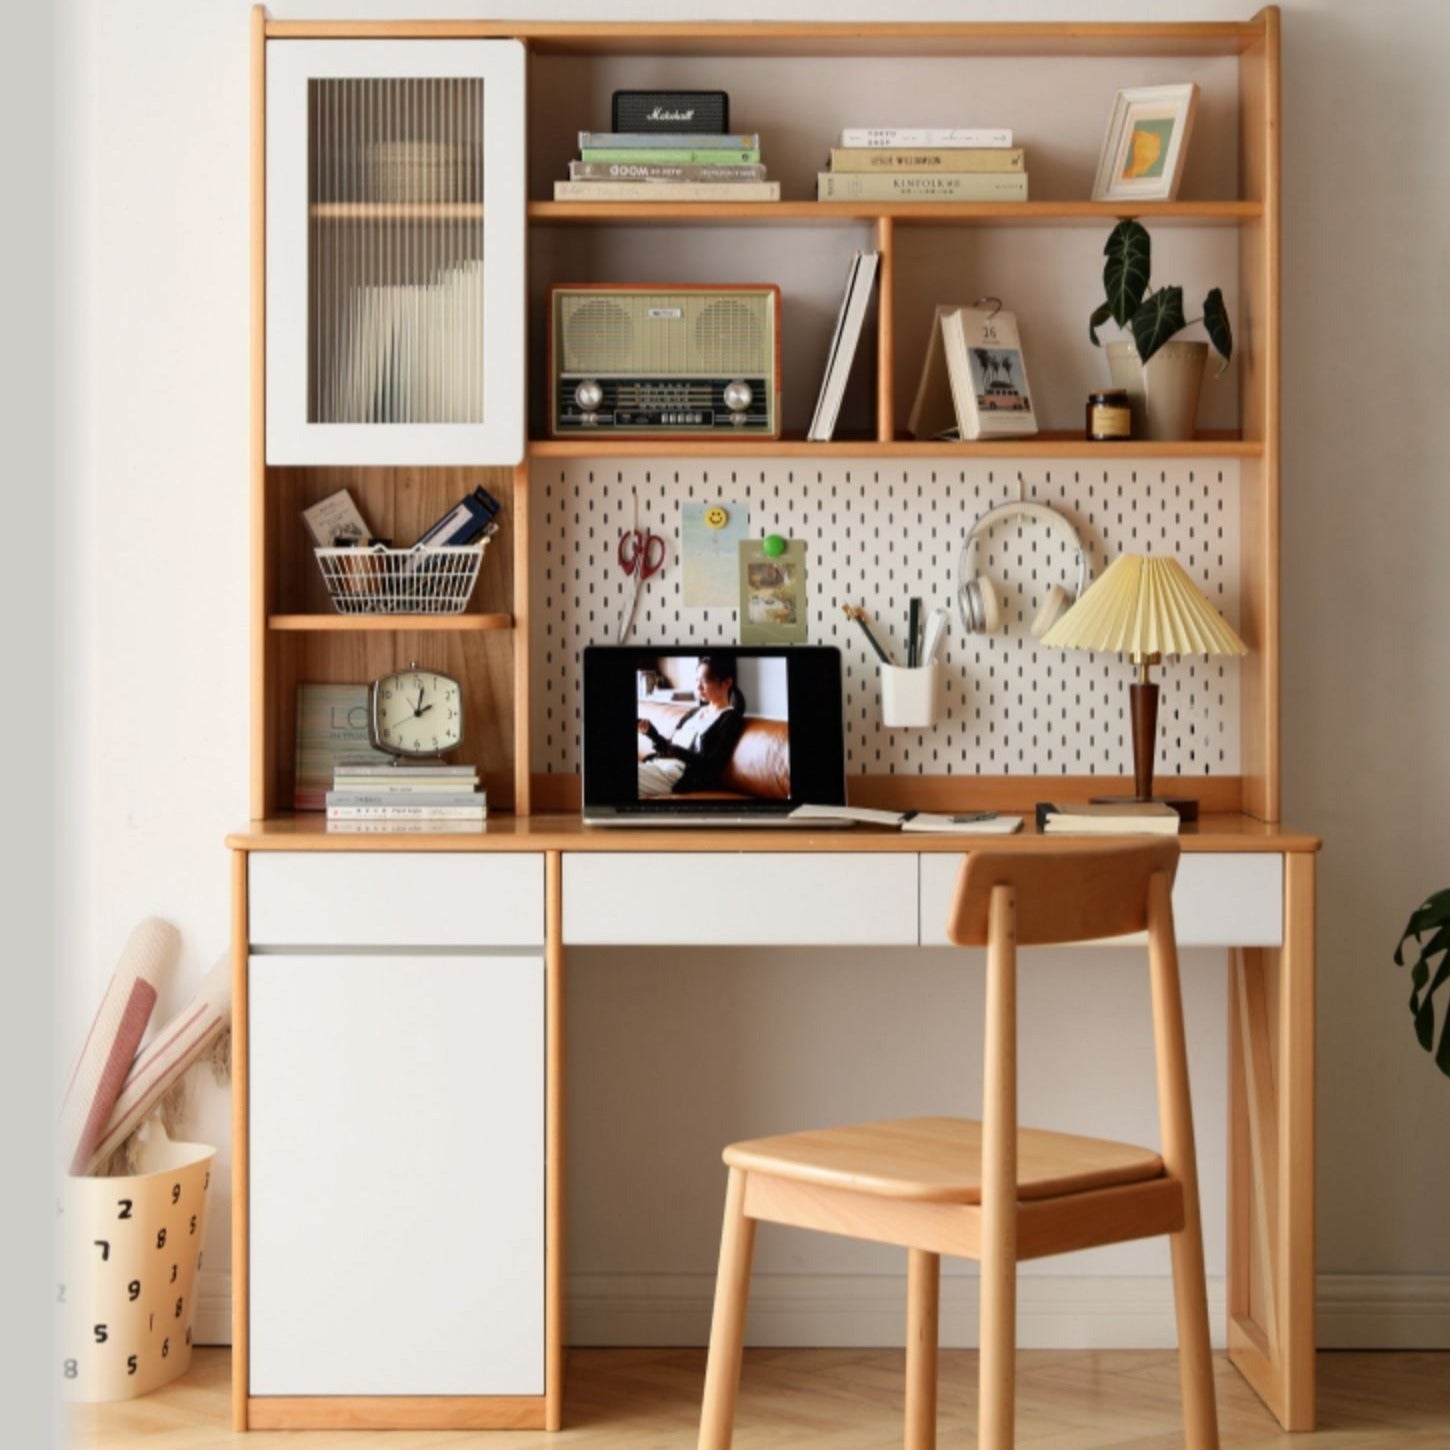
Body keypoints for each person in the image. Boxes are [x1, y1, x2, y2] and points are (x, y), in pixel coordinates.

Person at [637, 654, 747, 797]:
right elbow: (669, 747)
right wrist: (651, 733)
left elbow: (712, 766)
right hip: (660, 765)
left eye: (704, 681)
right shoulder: (694, 712)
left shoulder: (730, 719)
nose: (698, 686)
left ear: (726, 683)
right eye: (696, 680)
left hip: (679, 775)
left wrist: (674, 750)